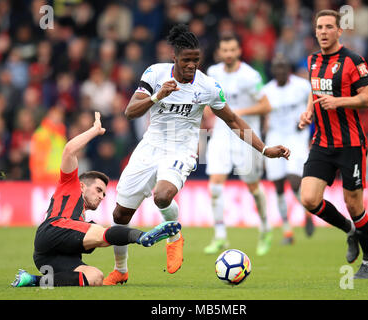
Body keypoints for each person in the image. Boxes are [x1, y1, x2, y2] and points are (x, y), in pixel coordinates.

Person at [104, 24, 290, 285]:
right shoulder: (155, 74)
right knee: (119, 216)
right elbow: (130, 111)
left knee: (163, 195)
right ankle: (120, 270)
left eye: (196, 60)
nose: (191, 65)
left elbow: (234, 121)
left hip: (182, 149)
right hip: (150, 146)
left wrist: (264, 149)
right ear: (174, 58)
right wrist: (158, 96)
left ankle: (174, 235)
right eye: (186, 60)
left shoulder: (208, 86)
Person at [11, 112, 182, 287]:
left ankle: (32, 280)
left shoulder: (82, 217)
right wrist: (94, 131)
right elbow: (69, 151)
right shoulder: (70, 184)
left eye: (103, 194)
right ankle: (143, 237)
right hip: (53, 229)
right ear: (83, 186)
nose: (101, 197)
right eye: (98, 190)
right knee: (100, 232)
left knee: (95, 277)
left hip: (48, 258)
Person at [298, 10, 368, 279]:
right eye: (319, 27)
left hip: (350, 143)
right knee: (308, 198)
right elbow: (315, 91)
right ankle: (349, 230)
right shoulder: (312, 60)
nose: (322, 31)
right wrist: (309, 111)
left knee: (354, 205)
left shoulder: (353, 60)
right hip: (322, 141)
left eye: (328, 27)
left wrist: (340, 101)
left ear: (339, 31)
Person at [203, 34, 272, 256]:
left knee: (253, 186)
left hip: (245, 133)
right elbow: (207, 100)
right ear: (219, 53)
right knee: (215, 183)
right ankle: (220, 235)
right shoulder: (213, 73)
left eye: (233, 50)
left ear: (239, 51)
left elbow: (265, 105)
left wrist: (238, 113)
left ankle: (265, 227)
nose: (229, 54)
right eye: (225, 50)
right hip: (222, 133)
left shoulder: (250, 76)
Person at [253, 54, 314, 244]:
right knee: (278, 185)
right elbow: (262, 113)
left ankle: (307, 211)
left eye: (283, 67)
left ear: (289, 70)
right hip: (275, 137)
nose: (280, 71)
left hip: (296, 137)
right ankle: (287, 230)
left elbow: (314, 103)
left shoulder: (302, 86)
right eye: (277, 68)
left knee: (294, 181)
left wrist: (307, 119)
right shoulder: (267, 91)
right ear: (273, 71)